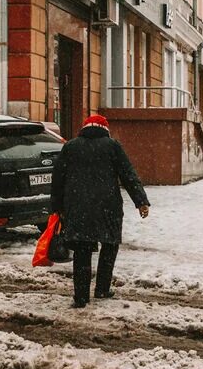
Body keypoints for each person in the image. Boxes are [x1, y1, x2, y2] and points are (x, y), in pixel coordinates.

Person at [50, 114, 150, 308]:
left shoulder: (70, 147)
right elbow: (129, 175)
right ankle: (102, 288)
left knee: (82, 251)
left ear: (85, 128)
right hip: (108, 206)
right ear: (105, 129)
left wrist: (57, 207)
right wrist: (141, 201)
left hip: (78, 207)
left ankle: (81, 297)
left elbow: (57, 180)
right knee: (109, 245)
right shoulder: (113, 146)